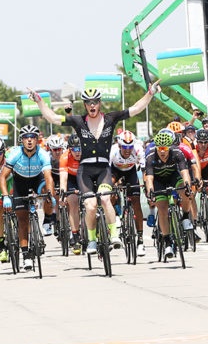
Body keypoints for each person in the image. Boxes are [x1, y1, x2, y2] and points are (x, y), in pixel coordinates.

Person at [28, 81, 161, 254]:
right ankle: (91, 240)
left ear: (99, 103)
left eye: (95, 102)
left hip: (104, 169)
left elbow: (135, 108)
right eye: (89, 102)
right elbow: (53, 117)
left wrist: (150, 93)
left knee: (106, 199)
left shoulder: (111, 118)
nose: (92, 105)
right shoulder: (78, 121)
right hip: (85, 170)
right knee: (90, 206)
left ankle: (114, 235)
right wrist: (39, 101)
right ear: (85, 105)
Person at [0, 125, 54, 271]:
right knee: (22, 220)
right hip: (20, 182)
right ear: (21, 140)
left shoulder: (42, 154)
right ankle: (26, 256)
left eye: (32, 137)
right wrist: (5, 196)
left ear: (37, 140)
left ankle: (48, 219)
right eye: (26, 137)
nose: (29, 140)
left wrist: (50, 193)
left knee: (47, 193)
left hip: (37, 179)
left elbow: (48, 176)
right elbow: (3, 177)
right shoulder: (15, 154)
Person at [143, 131, 192, 259]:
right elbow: (149, 179)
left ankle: (186, 216)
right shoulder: (150, 157)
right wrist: (151, 192)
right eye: (160, 149)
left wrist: (188, 185)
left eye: (165, 148)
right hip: (158, 181)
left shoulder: (177, 153)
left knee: (186, 191)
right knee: (163, 209)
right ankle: (167, 242)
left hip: (173, 177)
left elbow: (185, 172)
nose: (163, 152)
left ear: (170, 147)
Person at [109, 130, 146, 256]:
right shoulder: (113, 152)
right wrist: (113, 185)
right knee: (110, 192)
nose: (127, 150)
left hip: (131, 172)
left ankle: (140, 240)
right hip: (115, 171)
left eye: (130, 147)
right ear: (119, 146)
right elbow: (106, 173)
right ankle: (115, 214)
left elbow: (145, 170)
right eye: (125, 147)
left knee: (136, 202)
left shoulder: (138, 150)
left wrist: (146, 184)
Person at [59, 134, 83, 254]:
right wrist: (63, 193)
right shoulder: (64, 157)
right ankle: (76, 236)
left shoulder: (87, 154)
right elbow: (63, 178)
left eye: (80, 149)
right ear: (69, 149)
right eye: (74, 149)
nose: (77, 152)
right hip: (71, 179)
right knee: (73, 202)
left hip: (84, 177)